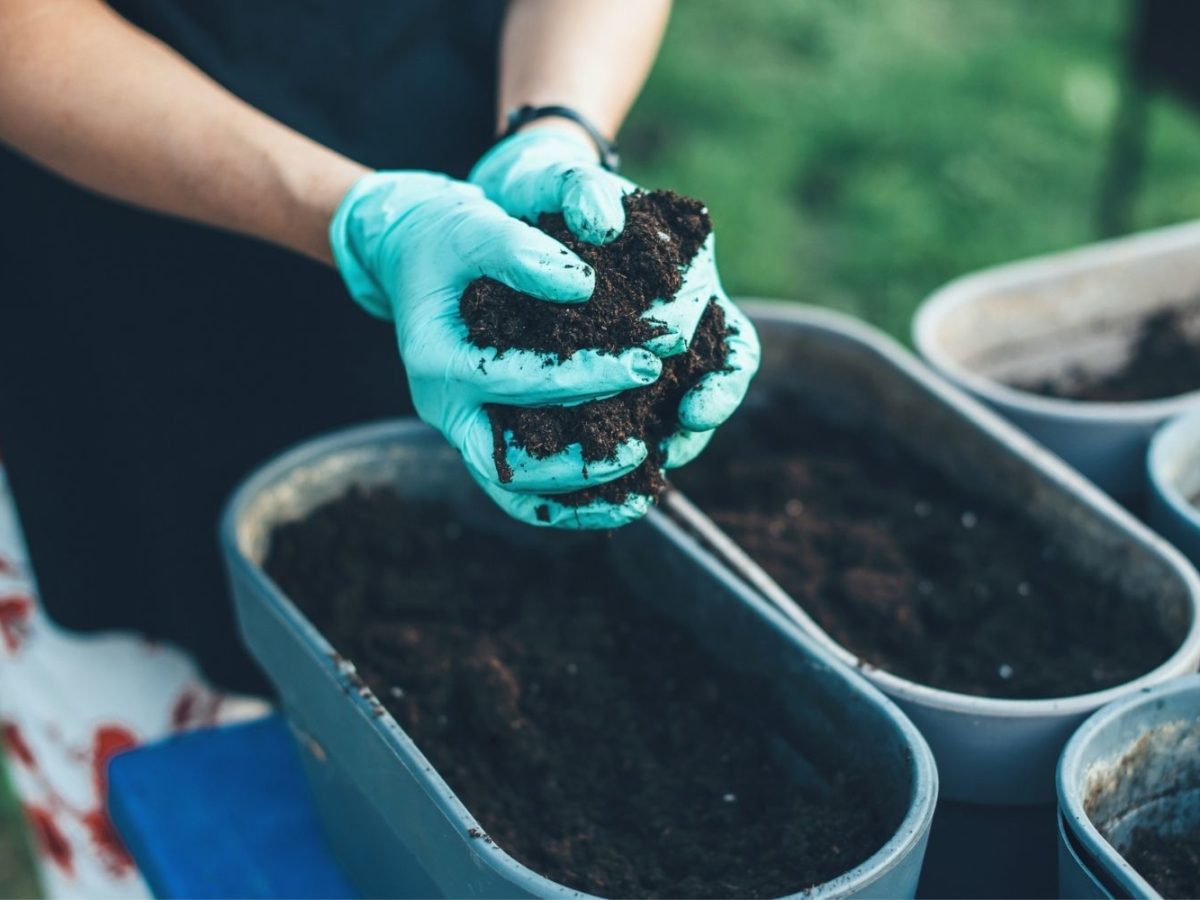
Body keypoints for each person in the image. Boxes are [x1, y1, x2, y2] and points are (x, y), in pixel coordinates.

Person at [0, 1, 759, 895]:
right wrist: (360, 218)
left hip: (466, 184)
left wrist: (554, 125)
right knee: (177, 815)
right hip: (120, 254)